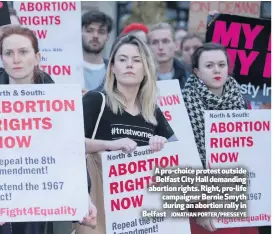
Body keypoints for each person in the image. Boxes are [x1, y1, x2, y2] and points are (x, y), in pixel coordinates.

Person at [0, 25, 97, 234]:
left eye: (23, 52)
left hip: (48, 207)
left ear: (37, 57)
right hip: (3, 207)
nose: (16, 59)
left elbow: (70, 152)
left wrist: (83, 198)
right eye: (9, 53)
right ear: (0, 58)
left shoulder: (59, 102)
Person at [77, 34, 175, 234]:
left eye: (136, 60)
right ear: (112, 67)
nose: (129, 65)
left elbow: (177, 155)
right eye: (122, 59)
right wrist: (110, 144)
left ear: (146, 68)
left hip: (139, 213)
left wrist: (160, 144)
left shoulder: (152, 112)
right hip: (99, 206)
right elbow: (70, 143)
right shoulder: (96, 101)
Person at [182, 43, 258, 234]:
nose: (217, 70)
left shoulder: (242, 103)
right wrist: (198, 206)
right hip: (200, 202)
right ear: (197, 72)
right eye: (209, 66)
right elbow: (181, 162)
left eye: (221, 65)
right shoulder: (182, 105)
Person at [148, 22, 189, 89]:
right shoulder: (140, 79)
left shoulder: (188, 78)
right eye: (155, 42)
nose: (160, 47)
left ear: (176, 45)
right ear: (148, 47)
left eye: (165, 41)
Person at [81, 10, 113, 92]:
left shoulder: (114, 71)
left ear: (107, 37)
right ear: (80, 33)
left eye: (101, 32)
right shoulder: (66, 70)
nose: (95, 36)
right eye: (90, 30)